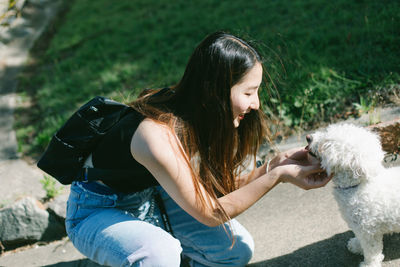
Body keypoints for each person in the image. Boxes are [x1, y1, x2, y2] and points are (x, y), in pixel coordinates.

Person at [65, 31, 331, 267]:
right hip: (96, 211)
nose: (256, 104)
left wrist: (274, 165)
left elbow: (211, 193)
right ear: (215, 91)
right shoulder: (156, 135)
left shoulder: (197, 115)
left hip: (152, 199)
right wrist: (276, 177)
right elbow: (211, 213)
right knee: (159, 255)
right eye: (249, 93)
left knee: (235, 251)